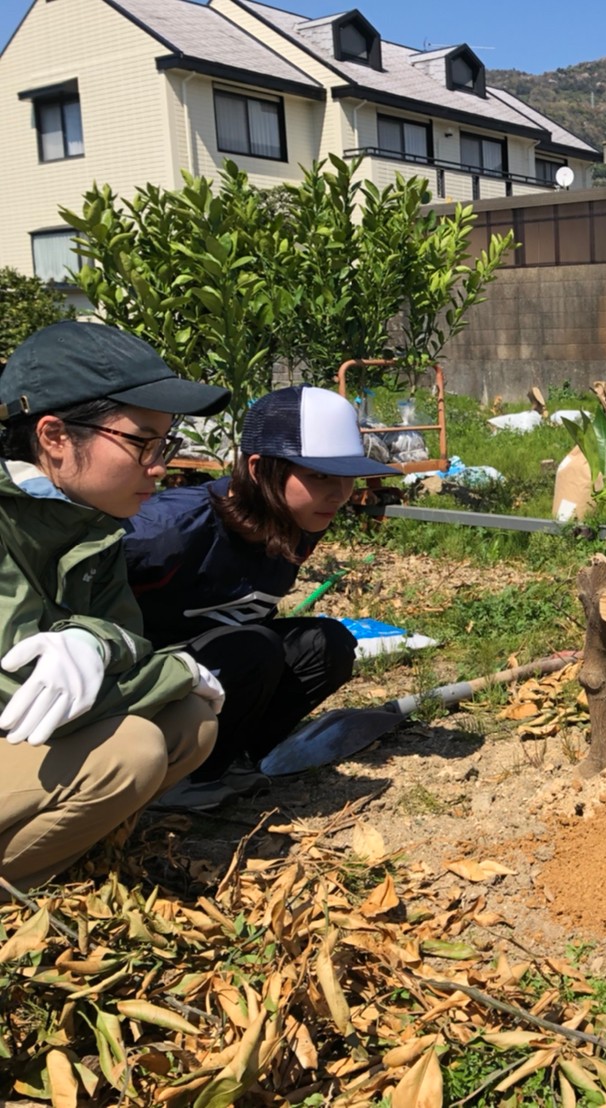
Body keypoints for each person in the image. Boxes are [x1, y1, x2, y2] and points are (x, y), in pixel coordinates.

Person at [0, 321, 229, 889]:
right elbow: (19, 692)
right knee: (132, 750)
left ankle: (63, 861)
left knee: (190, 723)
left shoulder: (89, 524)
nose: (159, 465)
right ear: (54, 436)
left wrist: (96, 642)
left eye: (166, 443)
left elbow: (120, 631)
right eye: (141, 442)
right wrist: (172, 670)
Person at [124, 385, 398, 810]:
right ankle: (175, 776)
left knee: (328, 646)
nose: (340, 492)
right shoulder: (163, 532)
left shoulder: (300, 521)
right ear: (258, 468)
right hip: (139, 685)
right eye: (320, 475)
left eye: (347, 475)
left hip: (215, 668)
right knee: (254, 647)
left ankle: (228, 761)